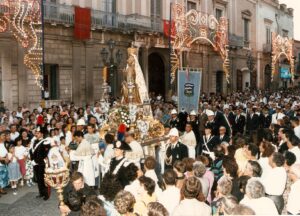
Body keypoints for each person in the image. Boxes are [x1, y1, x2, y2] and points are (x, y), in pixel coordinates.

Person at [30, 126, 51, 200]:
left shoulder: (45, 142)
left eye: (38, 133)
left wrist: (36, 161)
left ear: (42, 134)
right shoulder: (35, 141)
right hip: (35, 163)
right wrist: (32, 159)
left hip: (41, 163)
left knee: (42, 179)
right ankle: (41, 193)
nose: (36, 134)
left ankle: (46, 194)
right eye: (36, 133)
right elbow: (32, 151)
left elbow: (44, 154)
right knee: (38, 179)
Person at [0, 131, 9, 196]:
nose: (4, 136)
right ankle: (1, 189)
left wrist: (7, 158)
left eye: (4, 135)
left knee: (4, 176)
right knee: (0, 176)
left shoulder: (4, 143)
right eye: (3, 135)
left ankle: (2, 187)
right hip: (1, 162)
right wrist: (4, 159)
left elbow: (6, 152)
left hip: (4, 161)